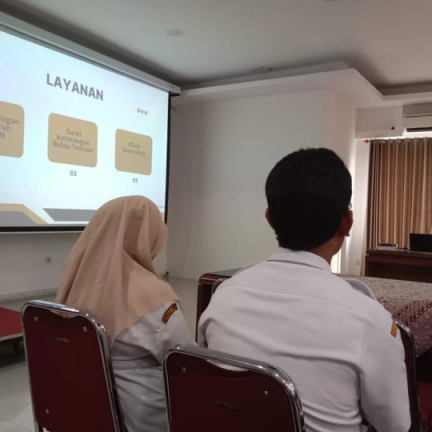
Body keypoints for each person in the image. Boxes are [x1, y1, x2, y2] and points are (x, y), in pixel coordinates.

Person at [198, 149, 410, 432]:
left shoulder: (223, 297)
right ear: (347, 223)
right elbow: (395, 426)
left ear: (269, 218)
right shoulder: (370, 321)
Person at [56, 196, 195, 432]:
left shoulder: (73, 286)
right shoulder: (154, 298)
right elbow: (187, 363)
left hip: (81, 412)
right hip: (141, 420)